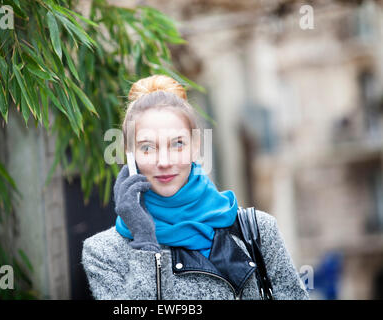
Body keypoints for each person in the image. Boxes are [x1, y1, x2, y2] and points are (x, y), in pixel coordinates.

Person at [81, 74, 309, 300]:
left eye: (177, 144)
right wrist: (145, 245)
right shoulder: (102, 253)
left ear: (196, 147)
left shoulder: (258, 232)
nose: (164, 161)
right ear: (130, 155)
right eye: (147, 147)